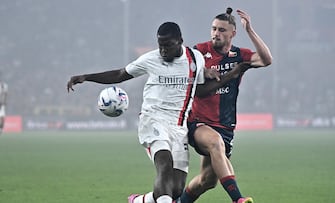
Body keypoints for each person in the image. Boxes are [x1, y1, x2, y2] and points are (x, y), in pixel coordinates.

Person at [66, 22, 250, 203]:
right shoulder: (151, 59)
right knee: (164, 165)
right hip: (153, 120)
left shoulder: (195, 59)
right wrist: (86, 77)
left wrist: (229, 75)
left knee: (176, 189)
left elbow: (200, 90)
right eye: (160, 46)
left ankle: (139, 201)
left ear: (180, 41)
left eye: (168, 46)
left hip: (178, 127)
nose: (163, 51)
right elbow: (120, 74)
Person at [177, 8, 272, 203]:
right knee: (214, 142)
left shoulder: (239, 55)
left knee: (207, 181)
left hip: (226, 126)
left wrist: (250, 30)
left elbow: (266, 60)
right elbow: (198, 88)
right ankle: (238, 199)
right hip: (199, 123)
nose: (216, 34)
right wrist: (210, 71)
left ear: (232, 34)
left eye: (221, 30)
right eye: (213, 29)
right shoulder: (200, 52)